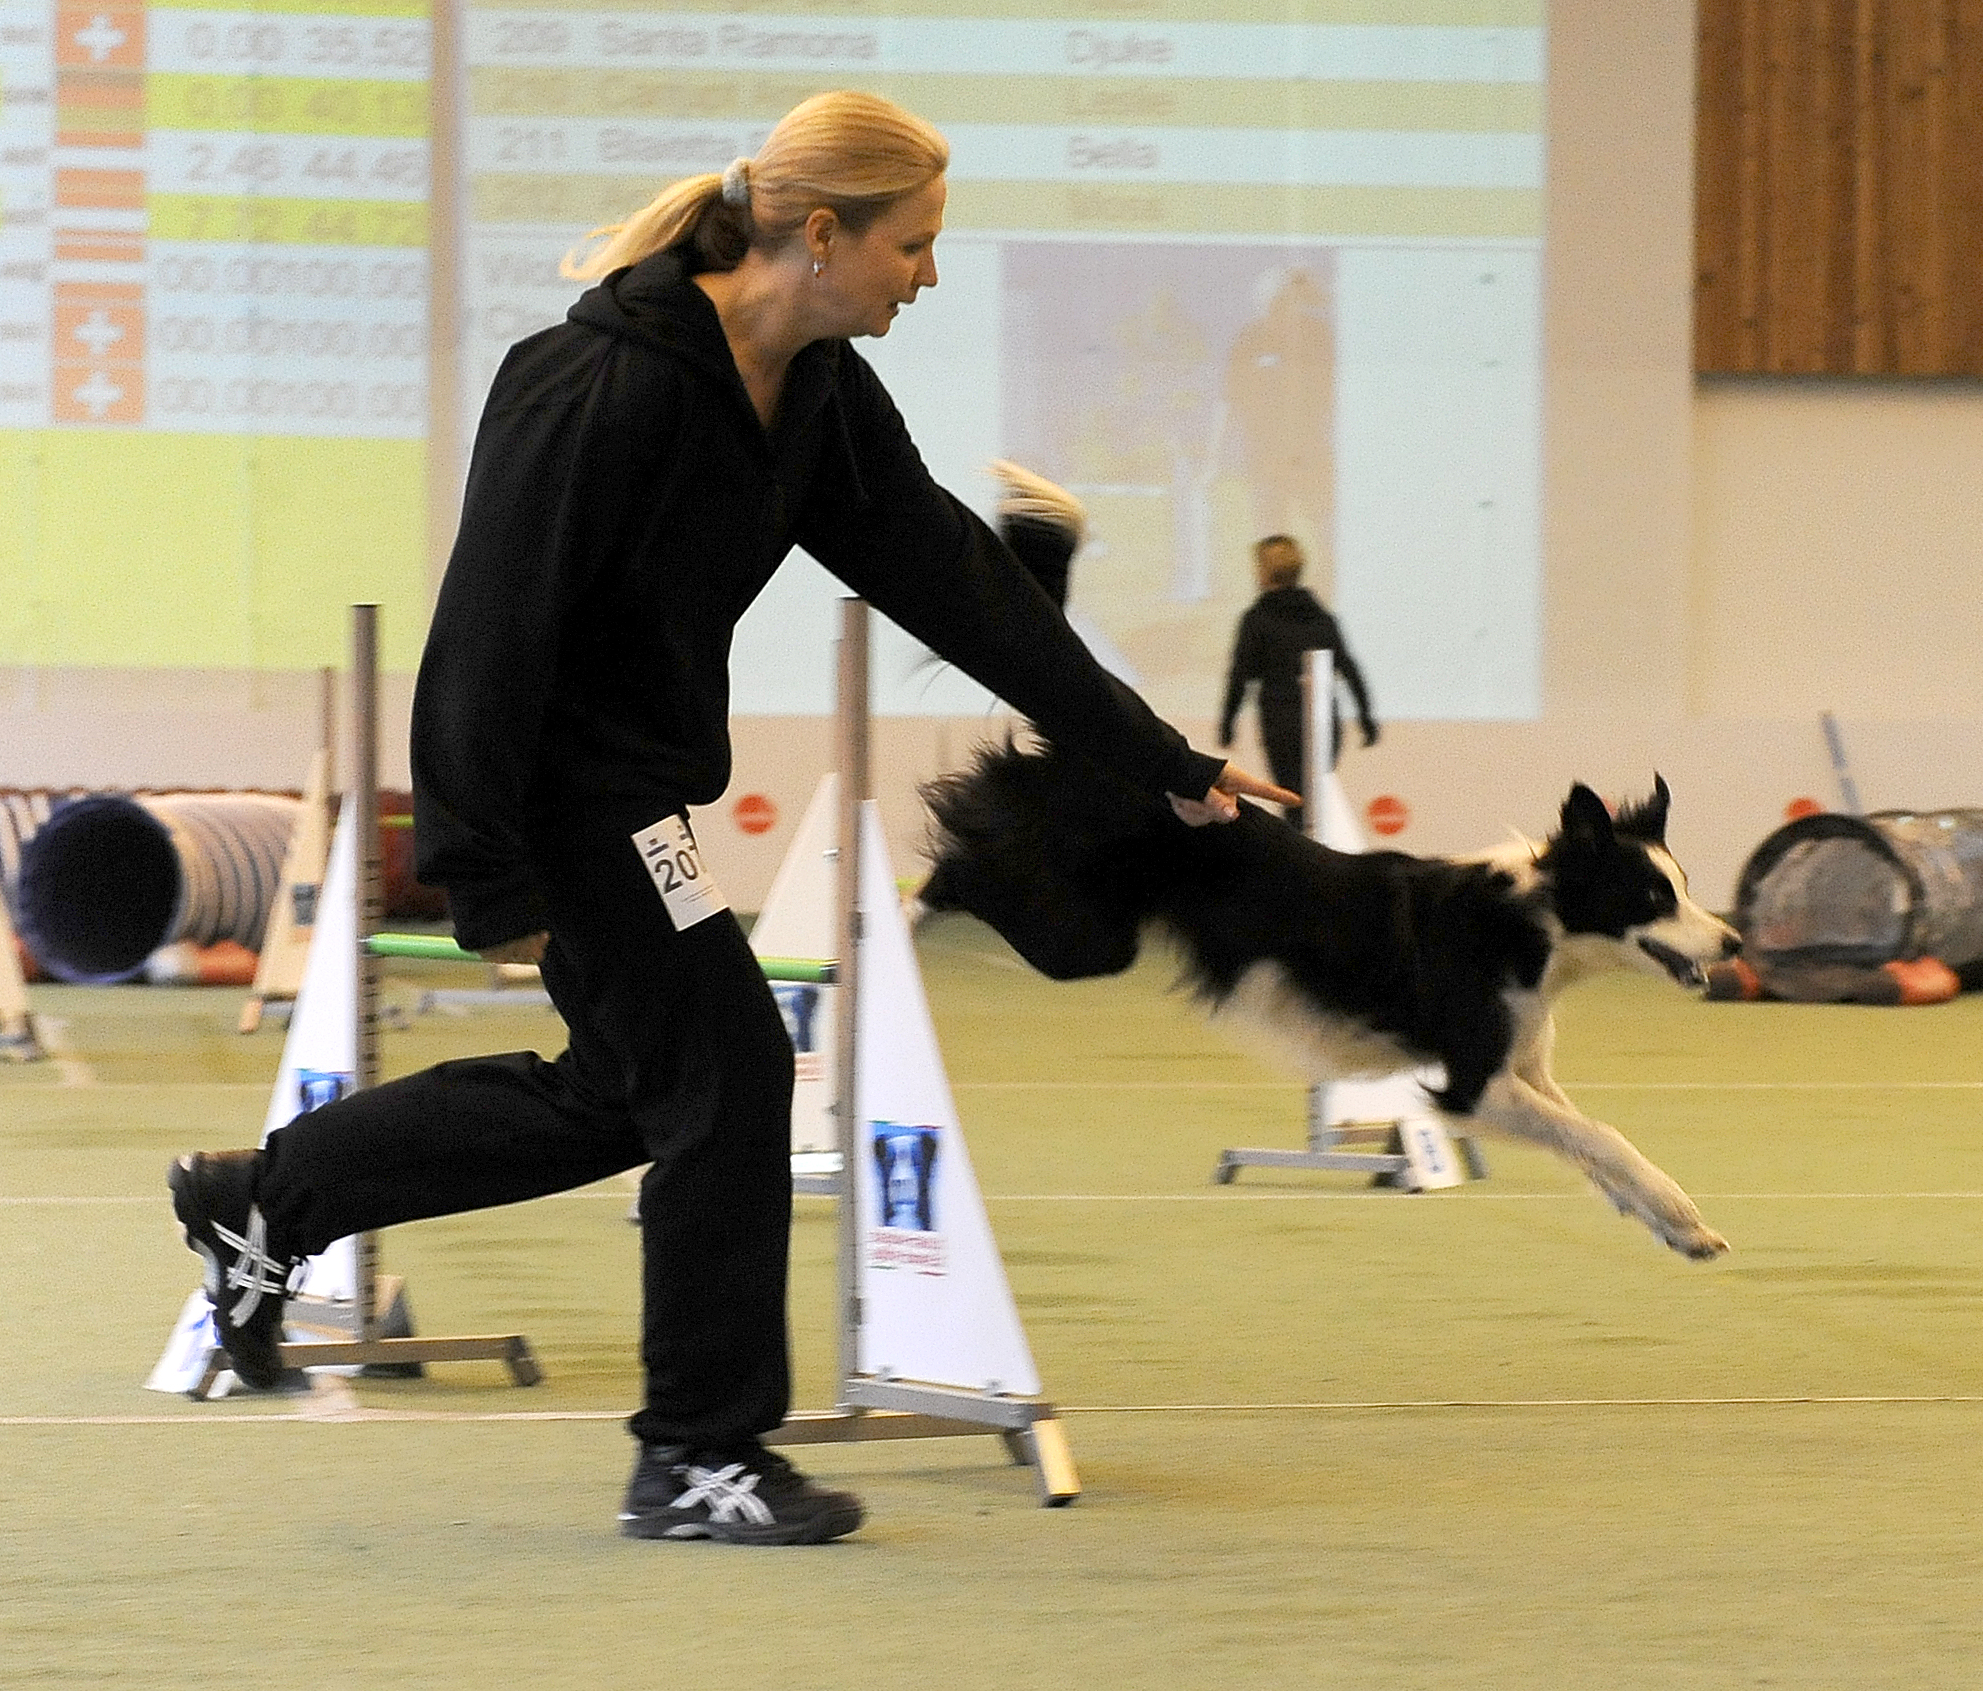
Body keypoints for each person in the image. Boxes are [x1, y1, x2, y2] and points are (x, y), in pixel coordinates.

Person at [164, 89, 1292, 1548]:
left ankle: (267, 1199)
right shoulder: (597, 385)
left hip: (638, 801)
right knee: (733, 1073)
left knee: (629, 1090)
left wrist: (1156, 757)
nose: (928, 276)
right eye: (913, 245)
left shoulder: (814, 394)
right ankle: (698, 1455)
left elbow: (960, 581)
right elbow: (485, 639)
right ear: (821, 234)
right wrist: (483, 873)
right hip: (563, 799)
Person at [1217, 535, 1379, 806]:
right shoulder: (1320, 617)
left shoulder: (1257, 620)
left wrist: (1227, 723)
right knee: (1317, 801)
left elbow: (1240, 675)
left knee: (1291, 799)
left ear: (1265, 572)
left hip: (1280, 722)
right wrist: (1366, 717)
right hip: (1323, 718)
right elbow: (1348, 667)